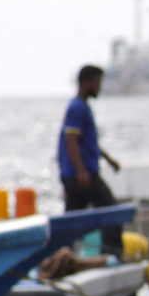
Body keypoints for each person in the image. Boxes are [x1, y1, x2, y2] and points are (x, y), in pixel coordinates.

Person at [58, 64, 123, 255]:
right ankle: (112, 256)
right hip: (82, 174)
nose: (99, 87)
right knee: (111, 213)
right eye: (97, 82)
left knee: (71, 220)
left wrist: (109, 160)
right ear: (87, 83)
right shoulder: (77, 107)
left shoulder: (80, 106)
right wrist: (81, 171)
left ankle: (65, 256)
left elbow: (87, 142)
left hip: (74, 173)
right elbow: (71, 140)